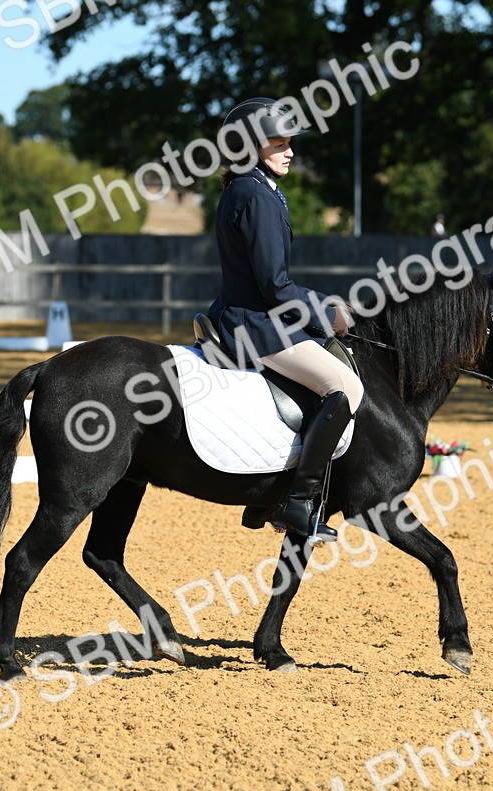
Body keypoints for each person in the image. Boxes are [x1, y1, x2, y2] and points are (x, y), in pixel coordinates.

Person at [208, 97, 362, 542]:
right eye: (279, 143)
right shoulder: (254, 194)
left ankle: (267, 496)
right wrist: (325, 311)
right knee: (346, 385)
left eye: (290, 142)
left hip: (254, 316)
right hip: (255, 324)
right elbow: (275, 286)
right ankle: (296, 504)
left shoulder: (253, 187)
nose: (290, 151)